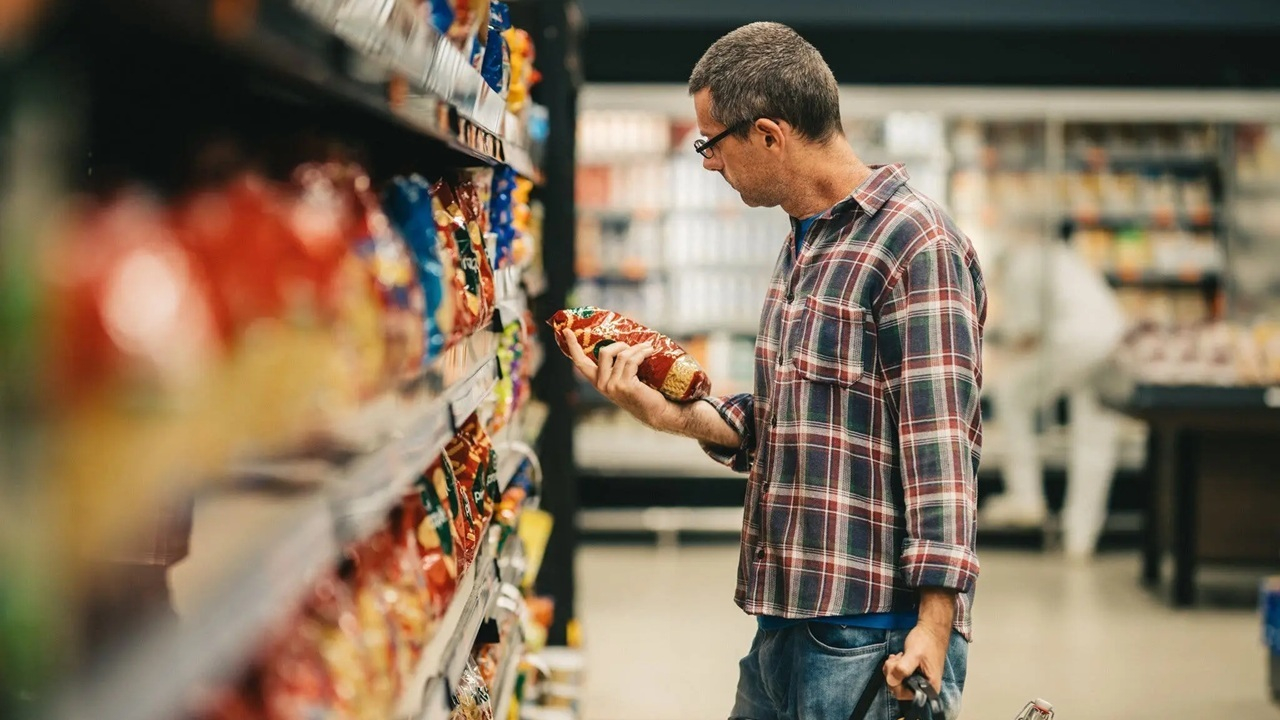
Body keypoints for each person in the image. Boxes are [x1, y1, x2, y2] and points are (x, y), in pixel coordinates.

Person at [561, 22, 985, 720]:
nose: (706, 163)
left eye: (710, 143)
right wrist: (671, 413)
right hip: (786, 618)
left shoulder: (915, 243)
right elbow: (789, 425)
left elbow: (942, 451)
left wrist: (935, 625)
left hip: (870, 633)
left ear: (767, 134)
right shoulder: (806, 244)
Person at [980, 237, 1127, 559]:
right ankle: (1080, 539)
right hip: (1111, 338)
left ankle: (1027, 496)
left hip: (1074, 340)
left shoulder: (1019, 266)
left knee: (1011, 395)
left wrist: (990, 344)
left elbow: (1028, 334)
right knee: (1095, 439)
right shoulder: (1056, 254)